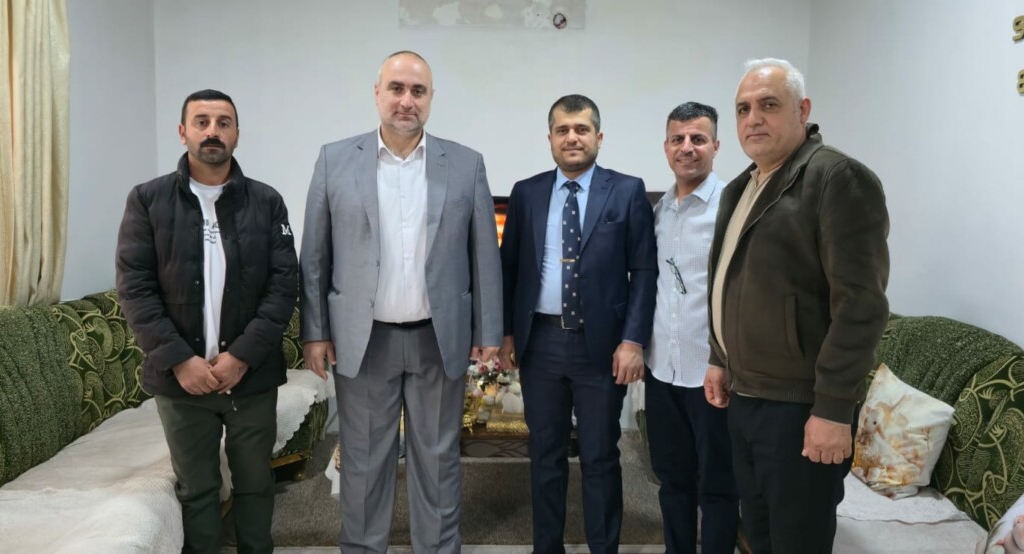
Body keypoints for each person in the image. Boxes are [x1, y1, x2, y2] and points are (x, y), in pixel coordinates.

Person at [298, 50, 502, 554]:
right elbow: (315, 255)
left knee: (439, 459)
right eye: (396, 88)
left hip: (439, 338)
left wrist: (488, 333)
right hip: (365, 341)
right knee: (365, 462)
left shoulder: (466, 164)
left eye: (417, 91)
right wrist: (315, 332)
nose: (406, 100)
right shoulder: (334, 159)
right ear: (377, 93)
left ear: (431, 98)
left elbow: (484, 256)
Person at [703, 58, 890, 553]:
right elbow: (730, 282)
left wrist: (832, 409)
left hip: (800, 409)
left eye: (768, 105)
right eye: (743, 109)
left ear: (802, 110)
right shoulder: (741, 188)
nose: (753, 119)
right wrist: (719, 357)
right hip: (746, 398)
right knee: (758, 535)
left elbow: (861, 305)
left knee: (796, 541)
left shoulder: (836, 179)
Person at [116, 89, 299, 554]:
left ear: (237, 134)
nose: (212, 131)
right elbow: (135, 289)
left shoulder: (267, 202)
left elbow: (283, 288)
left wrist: (241, 356)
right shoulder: (147, 200)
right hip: (181, 382)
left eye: (223, 122)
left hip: (251, 378)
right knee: (197, 490)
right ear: (183, 132)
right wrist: (181, 360)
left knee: (255, 484)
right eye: (201, 122)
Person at [498, 94, 657, 554]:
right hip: (541, 344)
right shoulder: (526, 193)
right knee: (544, 455)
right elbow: (510, 268)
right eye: (563, 129)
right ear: (549, 138)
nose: (572, 137)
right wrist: (507, 333)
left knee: (600, 455)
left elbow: (644, 270)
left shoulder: (626, 190)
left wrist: (633, 340)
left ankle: (603, 547)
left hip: (601, 347)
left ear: (599, 138)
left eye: (582, 129)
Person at [645, 101, 740, 553]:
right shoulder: (659, 210)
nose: (687, 147)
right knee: (672, 480)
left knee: (718, 486)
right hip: (662, 372)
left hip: (712, 375)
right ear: (666, 147)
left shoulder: (733, 207)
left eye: (698, 139)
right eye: (678, 139)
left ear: (716, 146)